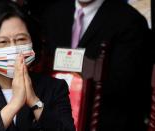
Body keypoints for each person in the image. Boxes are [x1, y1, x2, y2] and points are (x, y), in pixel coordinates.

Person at [0, 2, 75, 131]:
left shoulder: (55, 88)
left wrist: (34, 102)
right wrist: (14, 104)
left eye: (21, 39)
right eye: (2, 42)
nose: (13, 48)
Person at [42, 0, 152, 130]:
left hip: (105, 120)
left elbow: (126, 87)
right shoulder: (52, 12)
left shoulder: (130, 21)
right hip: (53, 115)